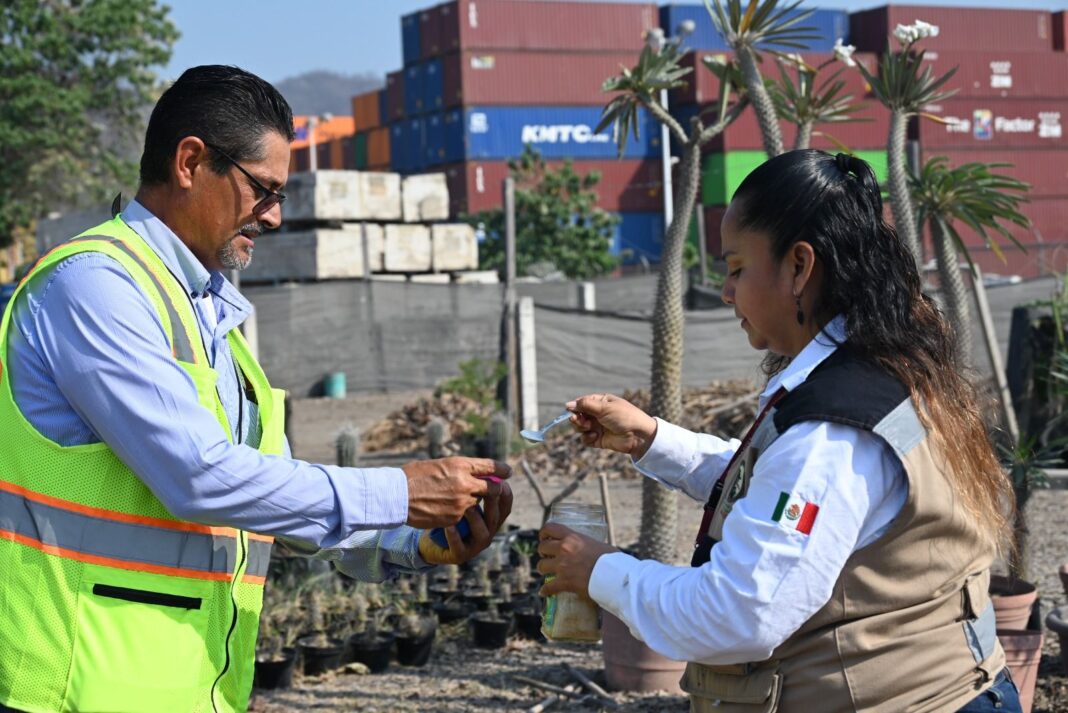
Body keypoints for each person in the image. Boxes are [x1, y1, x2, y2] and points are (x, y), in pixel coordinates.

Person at [0, 65, 512, 713]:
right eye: (263, 190)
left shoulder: (210, 317)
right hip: (75, 691)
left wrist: (414, 541)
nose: (273, 216)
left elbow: (266, 494)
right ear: (190, 162)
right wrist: (399, 492)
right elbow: (198, 477)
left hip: (185, 691)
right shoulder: (94, 286)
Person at [539, 150, 1020, 712]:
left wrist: (600, 570)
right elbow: (779, 489)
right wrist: (650, 439)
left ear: (798, 267)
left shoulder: (833, 429)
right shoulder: (884, 367)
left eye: (737, 268)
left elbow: (739, 613)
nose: (726, 291)